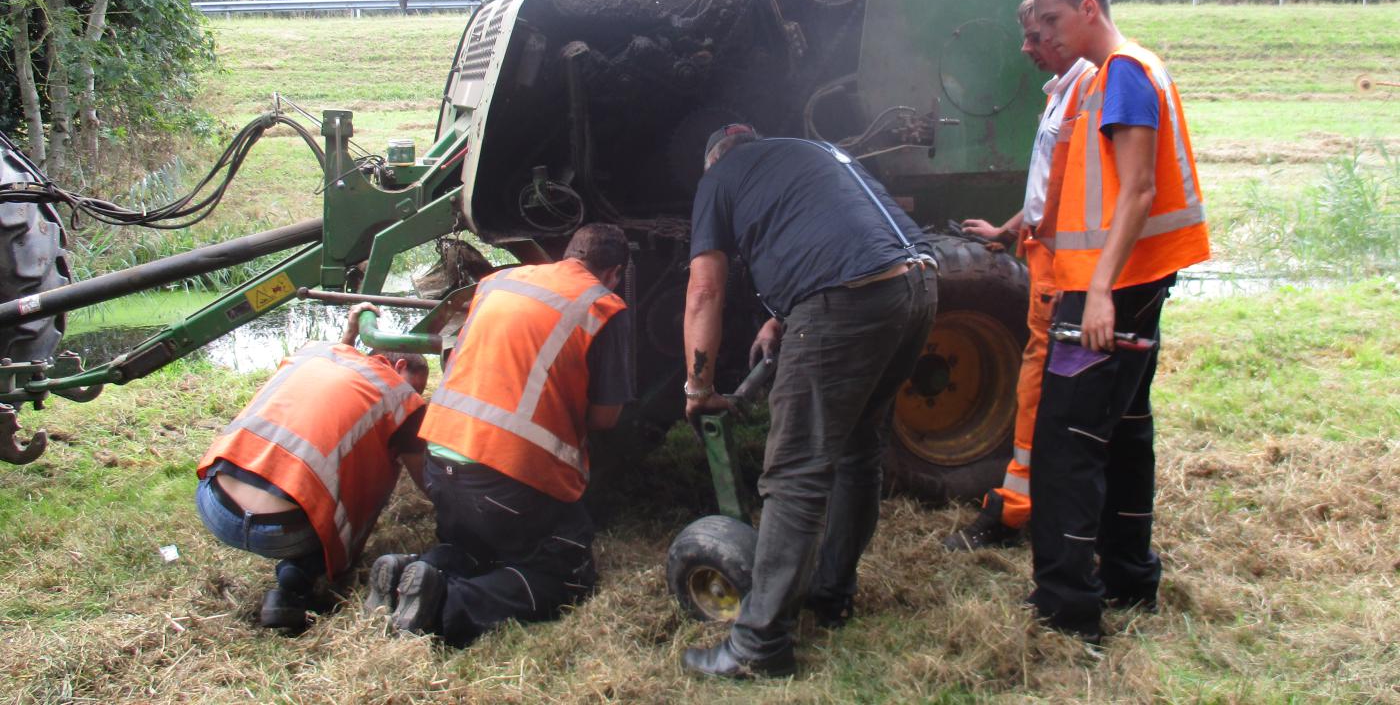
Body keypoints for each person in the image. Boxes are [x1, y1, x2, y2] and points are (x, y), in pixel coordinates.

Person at [679, 124, 936, 679]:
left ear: (715, 160)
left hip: (850, 301)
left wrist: (697, 388)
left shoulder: (717, 178)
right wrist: (783, 315)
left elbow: (705, 290)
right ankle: (831, 594)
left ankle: (758, 647)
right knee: (858, 453)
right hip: (915, 288)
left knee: (794, 474)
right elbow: (831, 233)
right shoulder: (817, 150)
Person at [1025, 0, 1209, 642]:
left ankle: (1069, 606)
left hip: (1110, 291)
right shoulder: (1125, 71)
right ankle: (1131, 578)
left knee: (1067, 444)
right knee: (1127, 431)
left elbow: (1135, 190)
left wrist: (1098, 290)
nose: (1043, 34)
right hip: (1134, 282)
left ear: (1090, 9)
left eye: (1051, 21)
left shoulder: (1124, 74)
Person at [374, 223, 635, 646]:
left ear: (567, 255)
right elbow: (605, 418)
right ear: (615, 273)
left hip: (439, 463)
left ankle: (411, 572)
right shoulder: (603, 306)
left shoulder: (497, 282)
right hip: (506, 481)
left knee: (478, 549)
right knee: (567, 574)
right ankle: (449, 604)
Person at [945, 0, 1095, 550]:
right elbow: (1047, 190)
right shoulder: (1061, 93)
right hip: (1050, 267)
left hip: (1071, 276)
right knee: (1035, 390)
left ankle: (1021, 512)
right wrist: (1008, 231)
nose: (1028, 48)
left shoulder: (1090, 90)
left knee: (1047, 396)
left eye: (1038, 34)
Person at [195, 303, 430, 630]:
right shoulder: (402, 399)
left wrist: (349, 332)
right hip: (284, 530)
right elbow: (425, 482)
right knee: (354, 494)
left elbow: (340, 361)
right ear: (400, 365)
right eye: (417, 387)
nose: (415, 396)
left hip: (215, 505)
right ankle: (294, 585)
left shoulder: (314, 354)